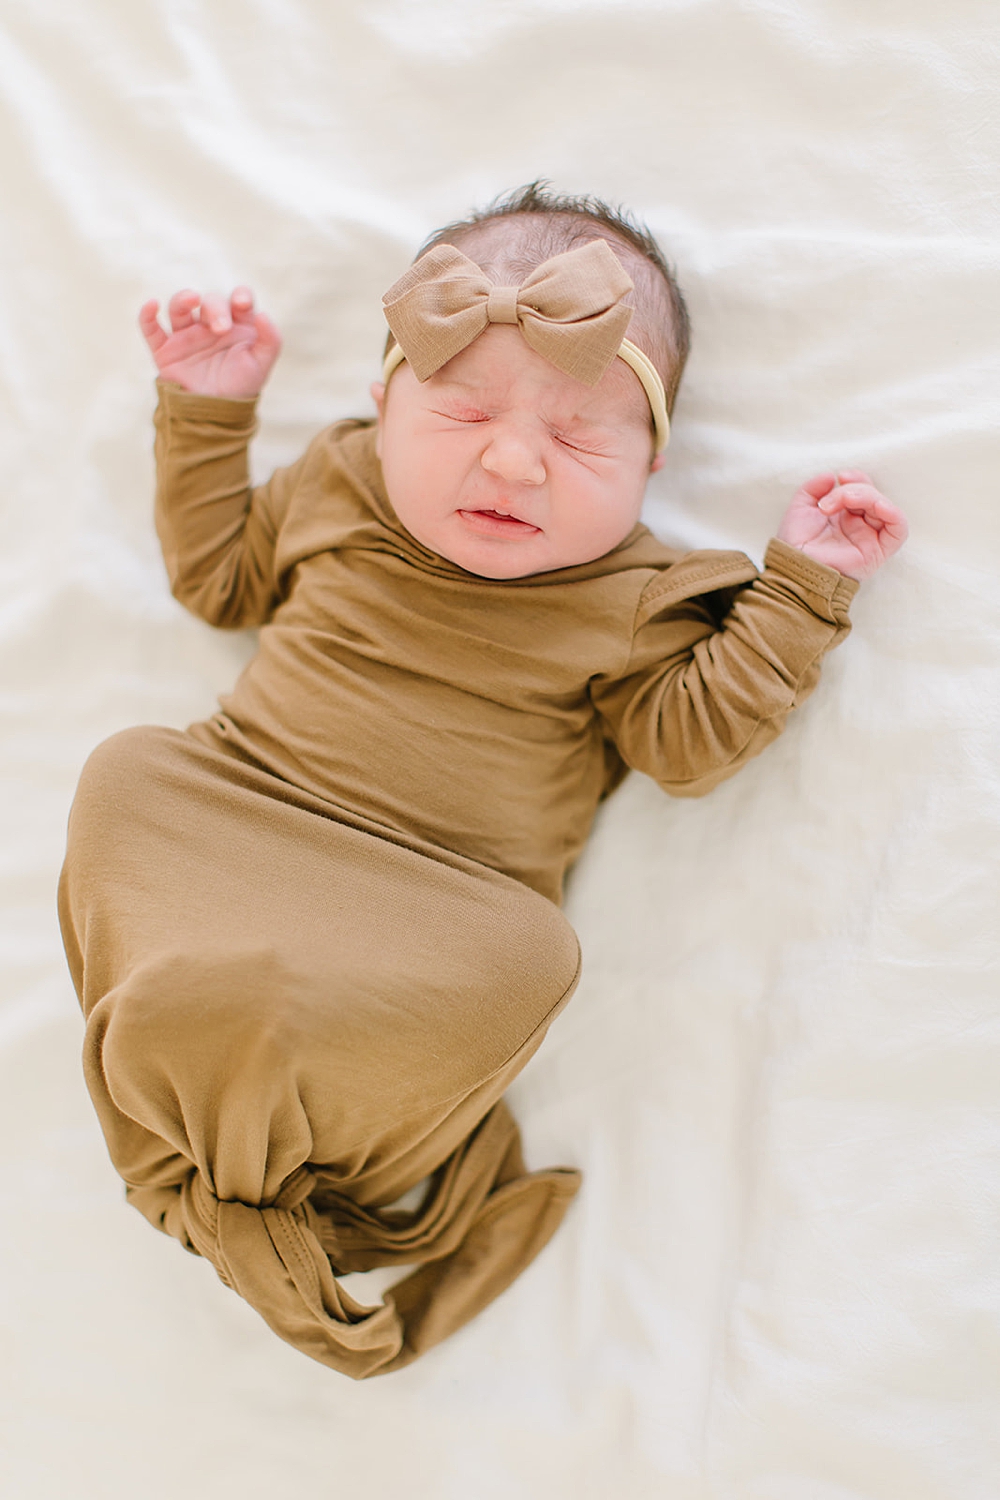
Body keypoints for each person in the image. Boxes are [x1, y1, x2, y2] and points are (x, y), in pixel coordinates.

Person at [58, 184, 907, 1379]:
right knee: (128, 771)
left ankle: (275, 1130)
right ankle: (206, 1088)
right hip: (242, 811)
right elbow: (220, 584)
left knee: (527, 955)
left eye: (579, 439)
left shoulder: (634, 595)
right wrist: (208, 411)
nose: (512, 462)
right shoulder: (337, 481)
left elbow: (686, 746)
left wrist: (799, 594)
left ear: (652, 461)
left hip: (434, 908)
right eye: (462, 411)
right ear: (383, 406)